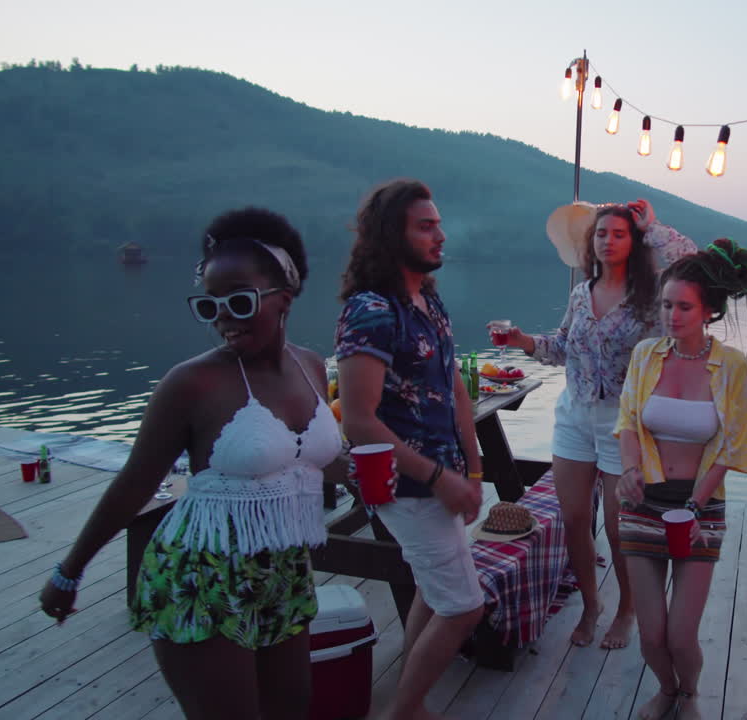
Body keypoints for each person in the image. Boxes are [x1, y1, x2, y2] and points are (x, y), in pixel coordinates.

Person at [39, 208, 342, 719]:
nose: (224, 318)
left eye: (240, 302)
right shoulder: (192, 384)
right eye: (210, 306)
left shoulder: (311, 367)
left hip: (285, 571)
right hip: (201, 575)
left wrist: (394, 478)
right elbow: (136, 482)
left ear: (284, 299)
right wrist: (70, 571)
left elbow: (306, 459)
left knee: (294, 707)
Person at [501, 198, 695, 649]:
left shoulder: (654, 299)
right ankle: (591, 605)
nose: (608, 241)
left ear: (635, 242)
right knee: (572, 518)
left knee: (617, 525)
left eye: (619, 234)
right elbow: (564, 347)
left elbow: (692, 261)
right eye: (602, 233)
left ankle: (627, 606)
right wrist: (523, 341)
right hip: (574, 415)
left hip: (623, 422)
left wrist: (653, 226)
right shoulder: (579, 292)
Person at [335, 178, 485, 720]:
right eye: (426, 226)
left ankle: (408, 698)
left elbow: (453, 384)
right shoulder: (372, 311)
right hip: (403, 485)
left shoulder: (426, 299)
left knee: (433, 587)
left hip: (441, 474)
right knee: (464, 607)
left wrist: (472, 459)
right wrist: (438, 477)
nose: (440, 235)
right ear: (389, 234)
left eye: (439, 224)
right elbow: (357, 421)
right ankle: (406, 710)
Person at [615, 239, 747, 720]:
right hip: (642, 504)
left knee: (681, 634)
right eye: (665, 305)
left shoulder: (732, 366)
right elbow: (628, 422)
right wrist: (631, 470)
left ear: (709, 312)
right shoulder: (645, 355)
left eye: (683, 306)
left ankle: (690, 693)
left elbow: (735, 445)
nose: (672, 316)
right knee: (652, 635)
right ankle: (666, 690)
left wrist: (696, 507)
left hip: (699, 506)